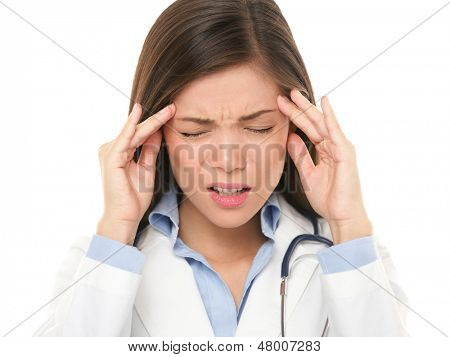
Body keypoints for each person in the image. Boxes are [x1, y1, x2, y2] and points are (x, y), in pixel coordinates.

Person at [34, 0, 409, 337]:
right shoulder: (99, 262)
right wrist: (117, 227)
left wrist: (348, 225)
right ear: (155, 133)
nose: (229, 162)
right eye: (195, 131)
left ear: (295, 125)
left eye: (258, 128)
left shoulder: (353, 256)